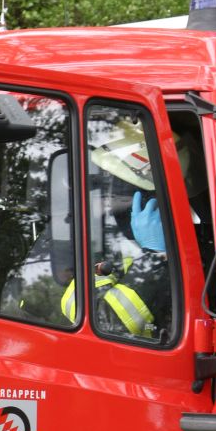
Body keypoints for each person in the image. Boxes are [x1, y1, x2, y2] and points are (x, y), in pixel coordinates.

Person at [61, 119, 174, 340]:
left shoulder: (200, 237)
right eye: (114, 187)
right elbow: (105, 322)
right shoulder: (91, 244)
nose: (109, 200)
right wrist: (155, 257)